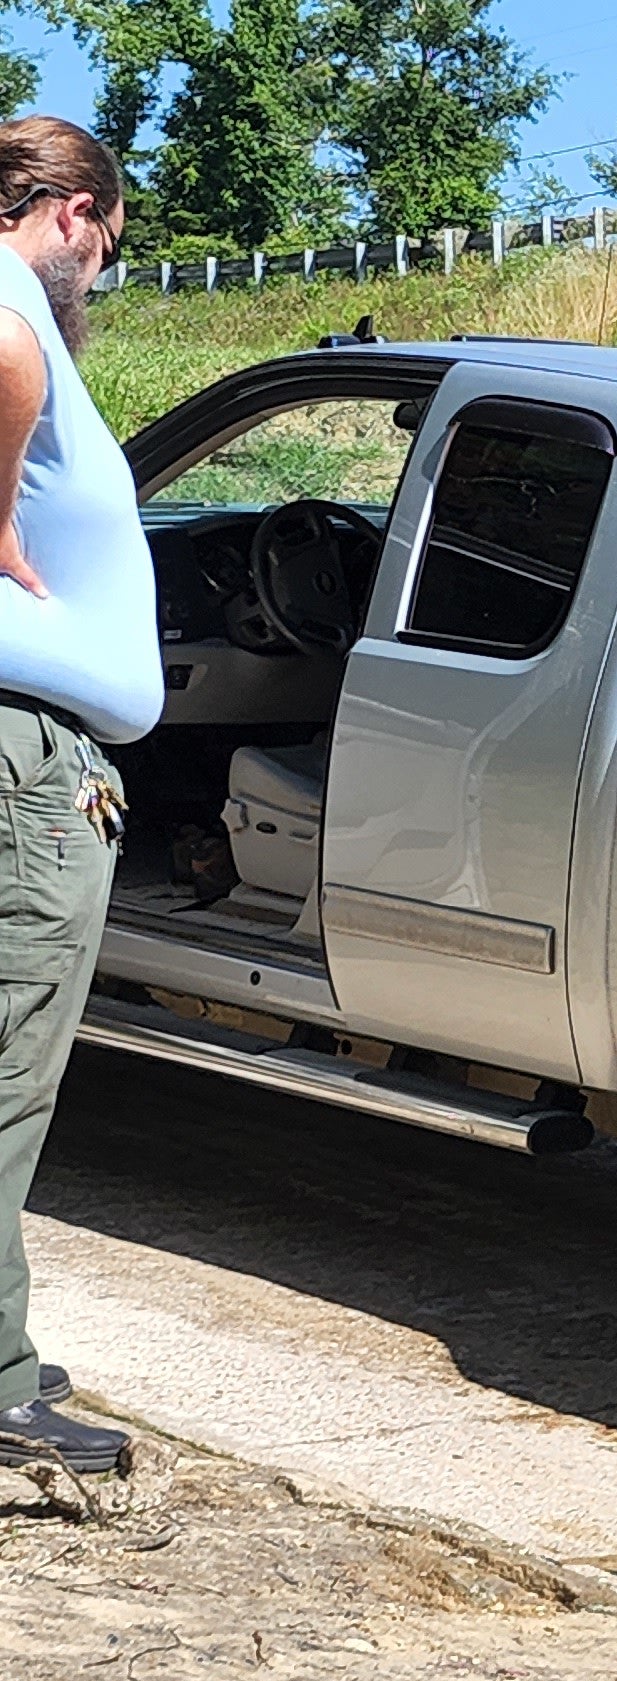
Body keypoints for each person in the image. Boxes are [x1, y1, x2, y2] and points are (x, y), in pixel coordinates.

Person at [0, 118, 150, 1480]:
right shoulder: (6, 297)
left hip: (38, 749)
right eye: (106, 238)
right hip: (29, 763)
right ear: (71, 211)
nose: (99, 269)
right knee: (7, 1080)